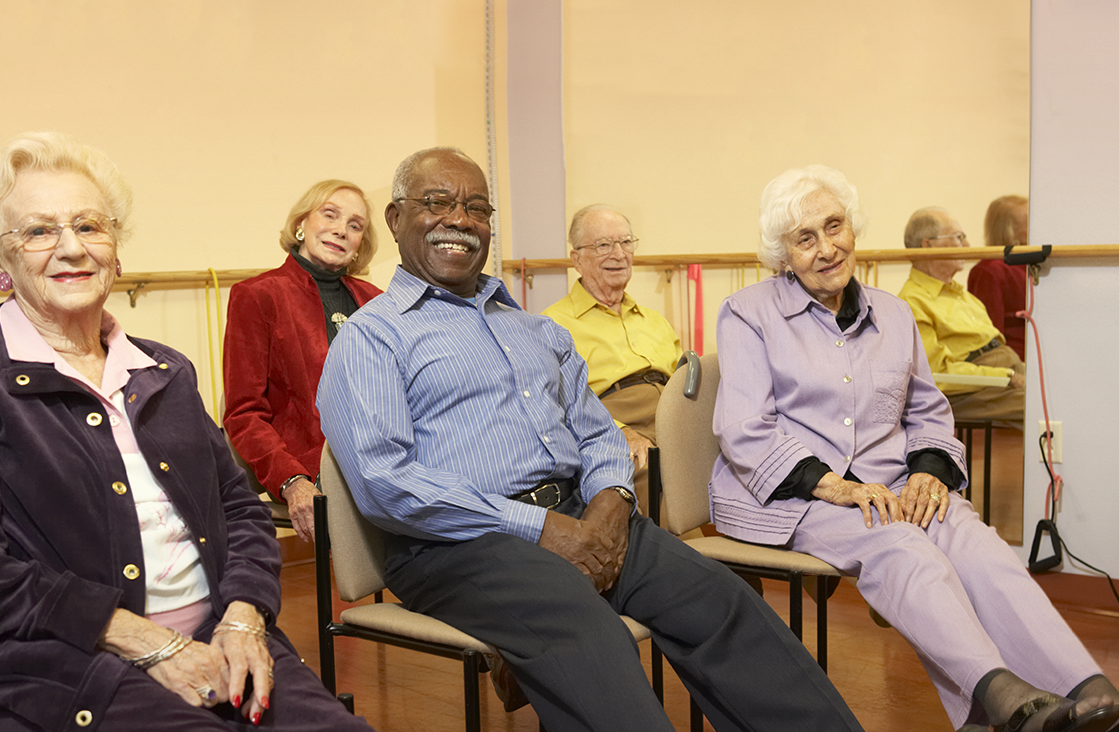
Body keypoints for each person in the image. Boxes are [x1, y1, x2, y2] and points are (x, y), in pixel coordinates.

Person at [317, 147, 864, 732]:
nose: (459, 219)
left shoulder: (536, 329)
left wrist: (611, 501)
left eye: (476, 207)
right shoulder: (372, 339)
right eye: (437, 203)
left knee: (721, 601)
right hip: (458, 543)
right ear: (397, 219)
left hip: (585, 516)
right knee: (590, 637)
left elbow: (598, 430)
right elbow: (386, 482)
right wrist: (541, 528)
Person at [0, 132, 373, 732]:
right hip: (62, 667)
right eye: (38, 231)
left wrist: (242, 616)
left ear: (115, 247)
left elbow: (239, 512)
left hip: (220, 638)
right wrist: (151, 643)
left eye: (89, 226)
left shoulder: (163, 370)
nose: (71, 248)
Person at [710, 164, 1119, 732]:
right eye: (804, 238)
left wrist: (930, 473)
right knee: (903, 549)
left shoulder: (893, 315)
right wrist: (839, 487)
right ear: (783, 256)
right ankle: (1004, 698)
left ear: (854, 228)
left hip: (890, 485)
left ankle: (1094, 695)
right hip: (799, 496)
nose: (826, 248)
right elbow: (744, 429)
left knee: (979, 545)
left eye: (834, 226)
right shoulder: (748, 314)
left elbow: (928, 412)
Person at [223, 180, 383, 542]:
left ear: (360, 246)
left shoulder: (377, 301)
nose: (341, 229)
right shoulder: (257, 296)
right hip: (313, 467)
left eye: (355, 226)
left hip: (382, 458)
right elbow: (242, 413)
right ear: (301, 224)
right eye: (330, 215)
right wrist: (291, 480)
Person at [541, 204, 680, 516]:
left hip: (671, 417)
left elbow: (684, 380)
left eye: (626, 242)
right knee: (649, 470)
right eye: (603, 245)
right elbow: (556, 403)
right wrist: (619, 431)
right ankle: (681, 559)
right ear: (577, 258)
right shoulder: (552, 324)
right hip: (609, 420)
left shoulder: (655, 319)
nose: (618, 254)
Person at [898, 207, 1025, 429]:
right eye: (959, 238)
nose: (967, 246)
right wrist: (1006, 375)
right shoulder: (912, 302)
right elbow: (938, 375)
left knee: (1068, 388)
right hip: (972, 389)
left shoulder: (960, 293)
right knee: (1052, 406)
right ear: (928, 246)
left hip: (1004, 374)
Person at [968, 195, 1030, 360]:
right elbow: (990, 335)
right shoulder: (989, 271)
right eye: (1028, 219)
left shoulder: (1031, 265)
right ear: (1009, 227)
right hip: (1018, 362)